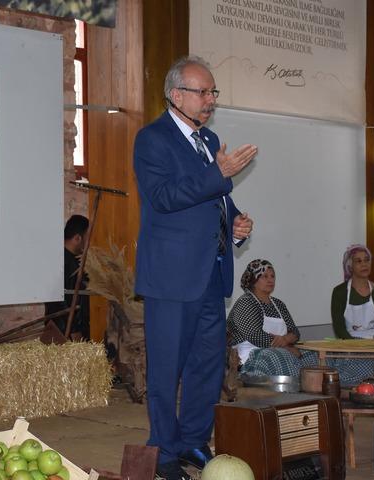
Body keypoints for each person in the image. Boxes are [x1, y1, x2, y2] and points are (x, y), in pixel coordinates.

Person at [133, 55, 257, 480]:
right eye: (203, 92)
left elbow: (216, 199)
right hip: (171, 276)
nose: (210, 100)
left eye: (213, 92)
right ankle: (164, 451)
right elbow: (164, 197)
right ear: (176, 95)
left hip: (210, 273)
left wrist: (236, 224)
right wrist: (218, 173)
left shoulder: (209, 139)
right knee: (167, 368)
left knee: (208, 365)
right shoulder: (152, 139)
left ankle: (192, 441)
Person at [227, 259, 304, 376]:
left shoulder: (278, 304)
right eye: (264, 276)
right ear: (253, 280)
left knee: (314, 356)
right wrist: (286, 349)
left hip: (277, 350)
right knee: (277, 357)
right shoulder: (246, 302)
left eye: (272, 276)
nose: (270, 280)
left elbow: (295, 332)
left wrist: (285, 340)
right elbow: (256, 336)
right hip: (247, 357)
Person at [331, 244, 374, 341]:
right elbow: (339, 328)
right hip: (350, 346)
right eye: (358, 261)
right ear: (350, 266)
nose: (364, 264)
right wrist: (356, 347)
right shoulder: (339, 292)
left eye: (367, 260)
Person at [44, 214, 91, 341]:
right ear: (77, 238)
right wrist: (74, 330)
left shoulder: (74, 261)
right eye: (88, 237)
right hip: (64, 331)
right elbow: (58, 301)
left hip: (71, 329)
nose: (89, 242)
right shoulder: (61, 261)